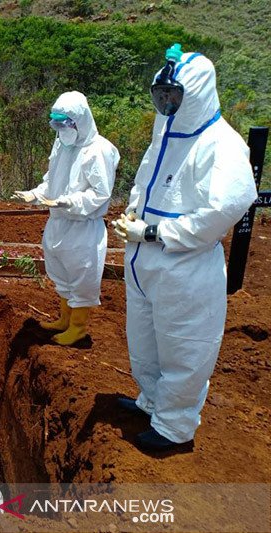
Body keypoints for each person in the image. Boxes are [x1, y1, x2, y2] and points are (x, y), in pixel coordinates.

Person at [112, 44, 257, 452]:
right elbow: (146, 178)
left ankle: (174, 428)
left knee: (182, 346)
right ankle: (153, 402)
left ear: (196, 93)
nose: (167, 103)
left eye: (175, 96)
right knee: (144, 341)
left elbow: (224, 208)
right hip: (143, 260)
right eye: (163, 95)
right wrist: (134, 214)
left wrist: (157, 233)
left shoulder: (221, 144)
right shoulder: (166, 132)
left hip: (183, 266)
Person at [12, 91, 120, 346]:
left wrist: (70, 201)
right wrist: (35, 195)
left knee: (81, 275)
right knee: (61, 271)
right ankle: (64, 319)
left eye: (64, 123)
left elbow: (100, 193)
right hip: (58, 221)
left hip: (83, 226)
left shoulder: (99, 150)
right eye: (56, 123)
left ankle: (78, 328)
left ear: (79, 120)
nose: (60, 129)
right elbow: (52, 180)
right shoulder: (62, 142)